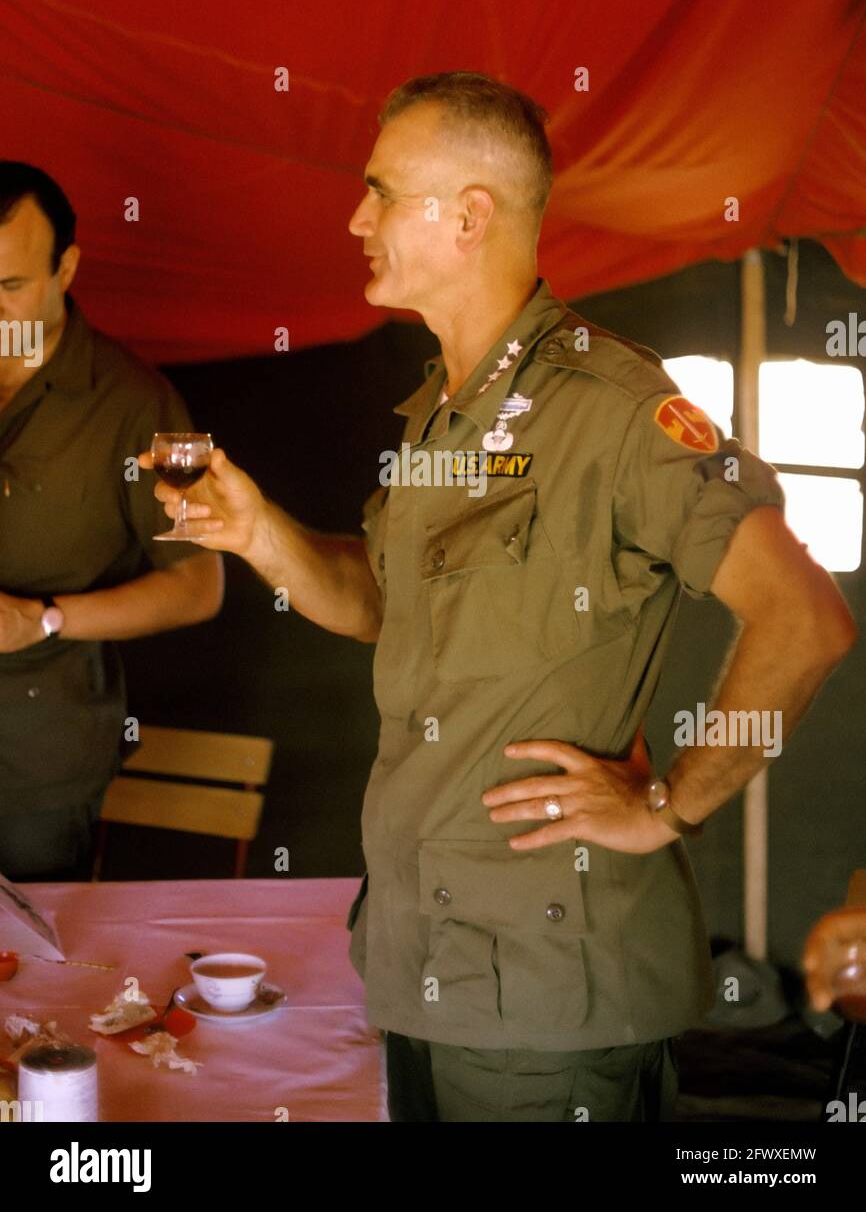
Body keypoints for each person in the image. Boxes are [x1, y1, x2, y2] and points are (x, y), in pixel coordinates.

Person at [140, 72, 857, 1122]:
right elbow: (377, 600)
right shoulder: (440, 413)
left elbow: (805, 617)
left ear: (469, 215)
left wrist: (667, 803)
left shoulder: (613, 411)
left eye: (380, 189)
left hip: (546, 995)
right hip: (427, 967)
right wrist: (257, 532)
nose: (355, 215)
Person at [0, 162, 224, 881]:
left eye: (9, 287)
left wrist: (45, 619)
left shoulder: (142, 404)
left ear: (66, 267)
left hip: (34, 766)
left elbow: (200, 584)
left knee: (29, 982)